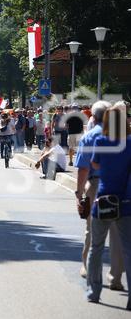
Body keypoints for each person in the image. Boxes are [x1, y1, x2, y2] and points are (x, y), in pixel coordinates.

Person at [75, 101, 124, 288]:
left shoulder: (89, 137)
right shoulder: (122, 136)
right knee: (117, 233)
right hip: (119, 186)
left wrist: (79, 193)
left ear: (93, 117)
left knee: (92, 229)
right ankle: (115, 277)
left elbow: (82, 169)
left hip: (95, 185)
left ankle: (86, 267)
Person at [86, 105, 131, 310]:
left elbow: (94, 165)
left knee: (96, 247)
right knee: (128, 250)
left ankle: (94, 292)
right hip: (127, 201)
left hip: (104, 199)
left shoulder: (101, 141)